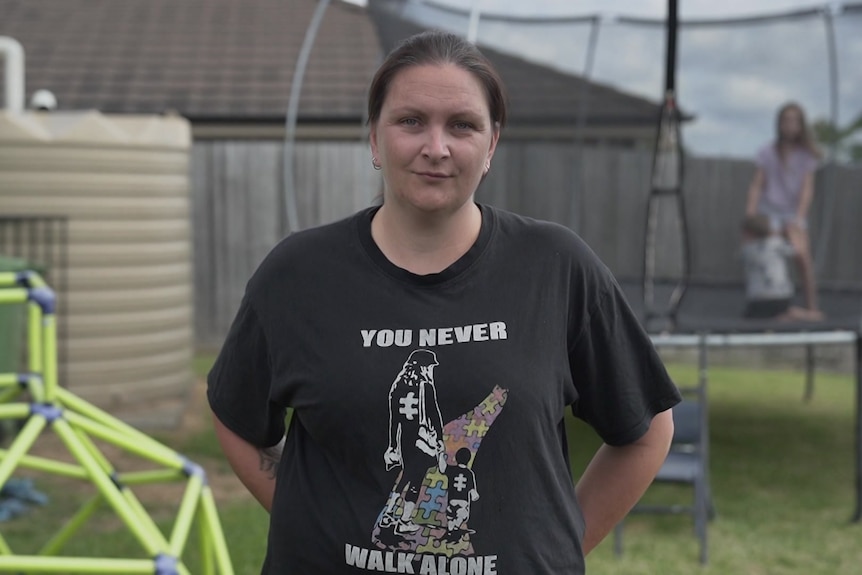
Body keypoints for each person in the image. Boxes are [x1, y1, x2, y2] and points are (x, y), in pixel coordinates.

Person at [207, 30, 680, 574]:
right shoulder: (298, 275)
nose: (437, 146)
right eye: (411, 121)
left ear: (492, 144)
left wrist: (557, 548)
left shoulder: (555, 267)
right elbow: (235, 415)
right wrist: (306, 519)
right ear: (374, 139)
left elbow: (647, 430)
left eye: (462, 125)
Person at [745, 102, 822, 315]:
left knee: (802, 257)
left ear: (800, 125)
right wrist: (751, 214)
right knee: (758, 255)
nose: (789, 125)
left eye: (794, 121)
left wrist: (798, 218)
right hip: (769, 212)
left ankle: (812, 307)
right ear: (779, 124)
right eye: (786, 120)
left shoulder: (806, 156)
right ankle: (760, 303)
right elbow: (757, 185)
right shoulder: (767, 152)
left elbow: (807, 189)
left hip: (791, 214)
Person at [740, 213, 823, 321]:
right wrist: (792, 233)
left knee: (751, 316)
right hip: (782, 298)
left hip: (758, 300)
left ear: (749, 233)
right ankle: (790, 314)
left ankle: (786, 315)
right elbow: (799, 251)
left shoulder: (747, 250)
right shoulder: (778, 244)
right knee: (778, 312)